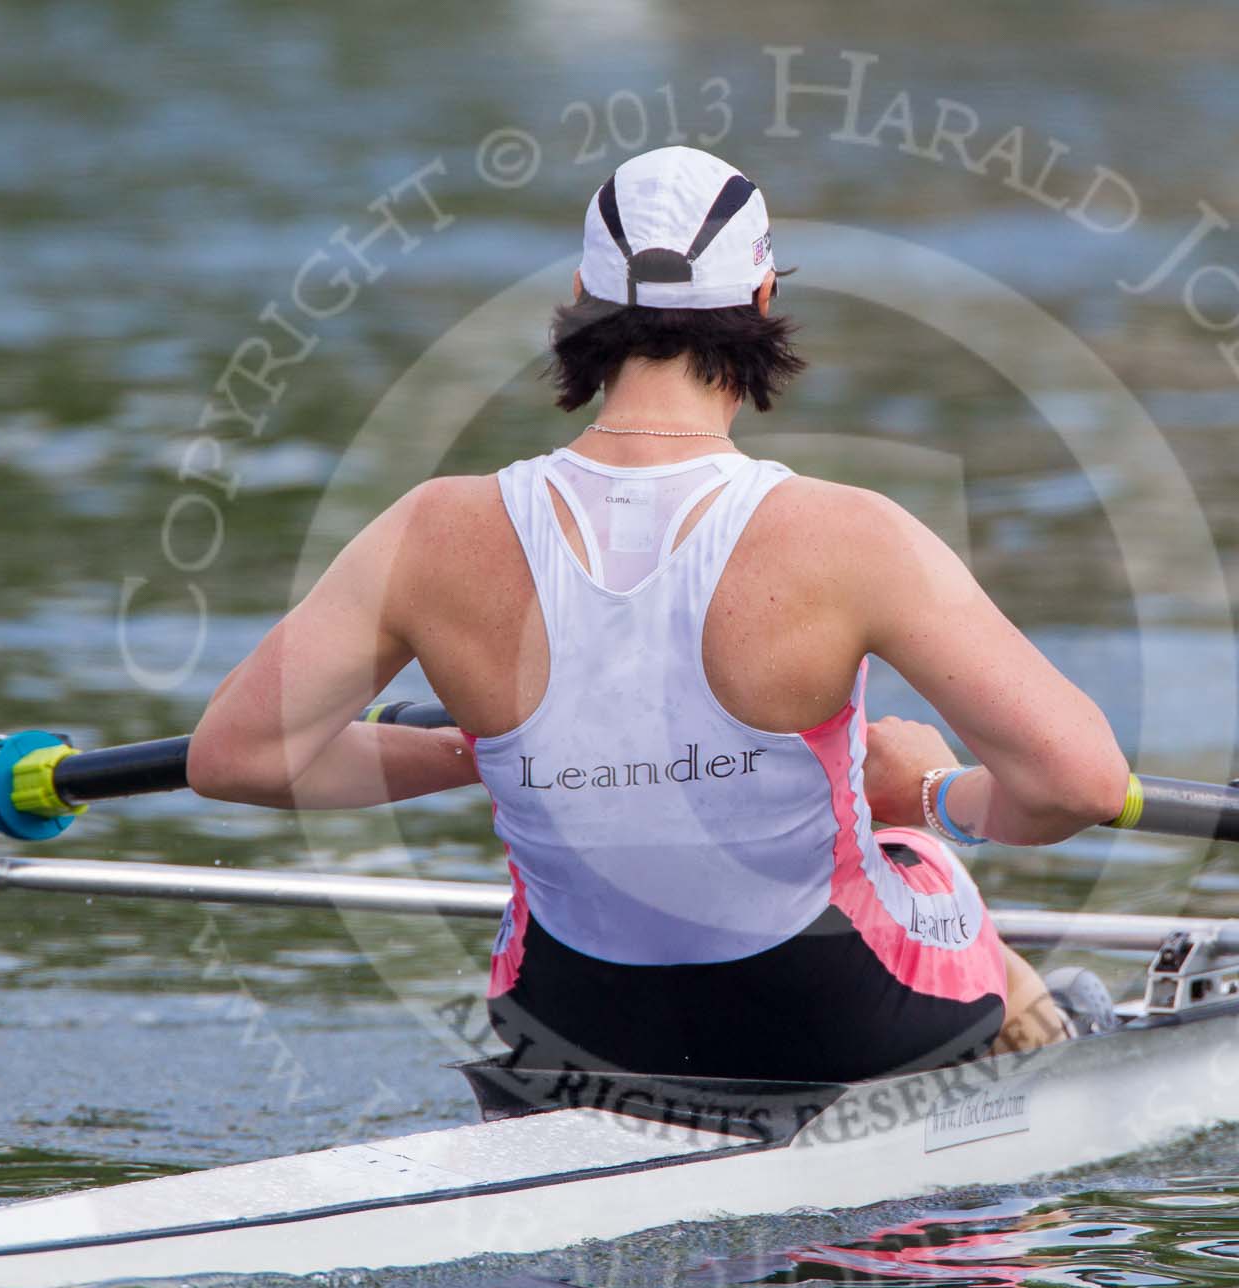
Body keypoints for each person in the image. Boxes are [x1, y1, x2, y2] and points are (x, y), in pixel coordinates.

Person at [188, 145, 1131, 1083]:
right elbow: (1079, 784)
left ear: (582, 300)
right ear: (763, 300)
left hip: (570, 1027)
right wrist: (933, 793)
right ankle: (1037, 1032)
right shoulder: (851, 534)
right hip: (829, 1015)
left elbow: (237, 758)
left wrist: (479, 752)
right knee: (921, 855)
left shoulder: (430, 532)